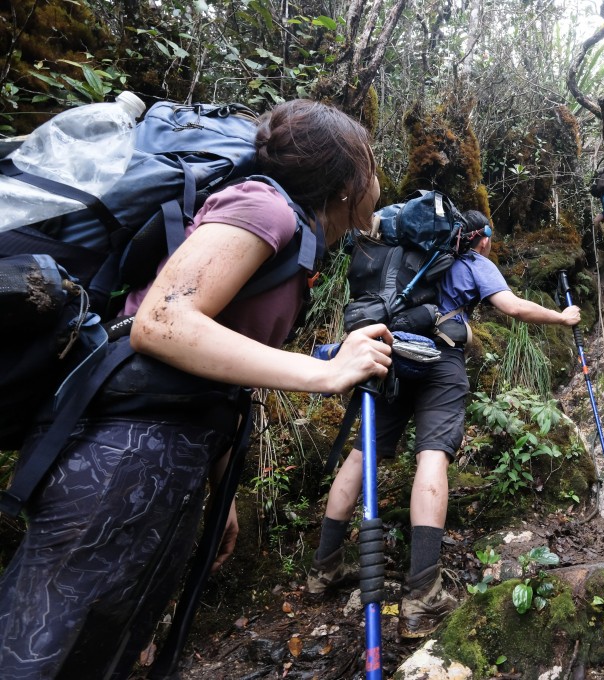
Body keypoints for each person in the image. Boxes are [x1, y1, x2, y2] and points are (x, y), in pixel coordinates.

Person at [0, 99, 392, 679]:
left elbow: (218, 370)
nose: (379, 181)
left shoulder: (296, 234)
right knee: (45, 646)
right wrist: (325, 374)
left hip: (162, 455)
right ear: (345, 182)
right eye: (372, 164)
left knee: (102, 645)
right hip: (121, 453)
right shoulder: (265, 205)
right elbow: (162, 322)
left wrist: (220, 485)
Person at [308, 209, 581, 639]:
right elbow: (513, 307)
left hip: (388, 356)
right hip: (439, 361)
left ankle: (324, 569)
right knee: (432, 457)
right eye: (488, 237)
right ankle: (422, 594)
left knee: (361, 455)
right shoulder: (472, 263)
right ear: (479, 237)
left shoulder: (400, 255)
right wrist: (562, 317)